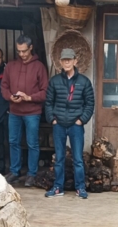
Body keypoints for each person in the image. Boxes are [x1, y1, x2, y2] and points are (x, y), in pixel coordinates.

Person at [44, 48, 94, 198]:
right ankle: (58, 187)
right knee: (59, 158)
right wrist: (52, 119)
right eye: (64, 60)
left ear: (75, 61)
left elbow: (90, 103)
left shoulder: (84, 82)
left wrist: (81, 120)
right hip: (59, 124)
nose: (66, 62)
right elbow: (48, 103)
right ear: (60, 62)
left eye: (69, 60)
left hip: (75, 125)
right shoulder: (54, 81)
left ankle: (81, 188)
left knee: (78, 158)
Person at [1, 35, 48, 185]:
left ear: (31, 48)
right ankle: (15, 171)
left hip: (32, 112)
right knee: (13, 141)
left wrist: (29, 98)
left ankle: (31, 174)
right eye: (19, 51)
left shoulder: (39, 66)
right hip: (14, 111)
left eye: (24, 51)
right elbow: (4, 86)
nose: (21, 54)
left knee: (32, 143)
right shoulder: (11, 66)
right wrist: (10, 97)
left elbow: (45, 91)